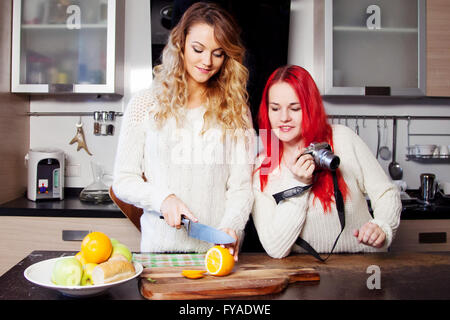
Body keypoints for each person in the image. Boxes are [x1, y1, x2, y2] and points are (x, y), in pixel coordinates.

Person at [112, 2, 254, 261]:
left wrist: (232, 227)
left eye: (218, 53)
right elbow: (123, 180)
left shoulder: (236, 109)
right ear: (180, 44)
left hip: (215, 254)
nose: (207, 61)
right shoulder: (145, 104)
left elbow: (241, 187)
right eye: (198, 49)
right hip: (159, 254)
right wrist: (163, 198)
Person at [252, 65, 401, 259]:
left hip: (365, 266)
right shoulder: (262, 167)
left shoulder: (343, 139)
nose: (284, 118)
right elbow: (275, 248)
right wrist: (299, 185)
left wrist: (382, 226)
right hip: (303, 273)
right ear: (267, 111)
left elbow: (386, 193)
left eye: (295, 108)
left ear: (310, 108)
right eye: (275, 108)